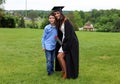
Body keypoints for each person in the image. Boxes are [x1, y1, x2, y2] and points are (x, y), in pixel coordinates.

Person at [52, 6, 79, 79]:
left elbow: (70, 35)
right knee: (59, 56)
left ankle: (66, 73)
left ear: (61, 13)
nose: (56, 15)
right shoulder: (60, 21)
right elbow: (62, 34)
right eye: (55, 14)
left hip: (71, 42)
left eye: (58, 13)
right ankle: (64, 71)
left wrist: (65, 46)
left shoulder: (66, 21)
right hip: (65, 41)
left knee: (60, 56)